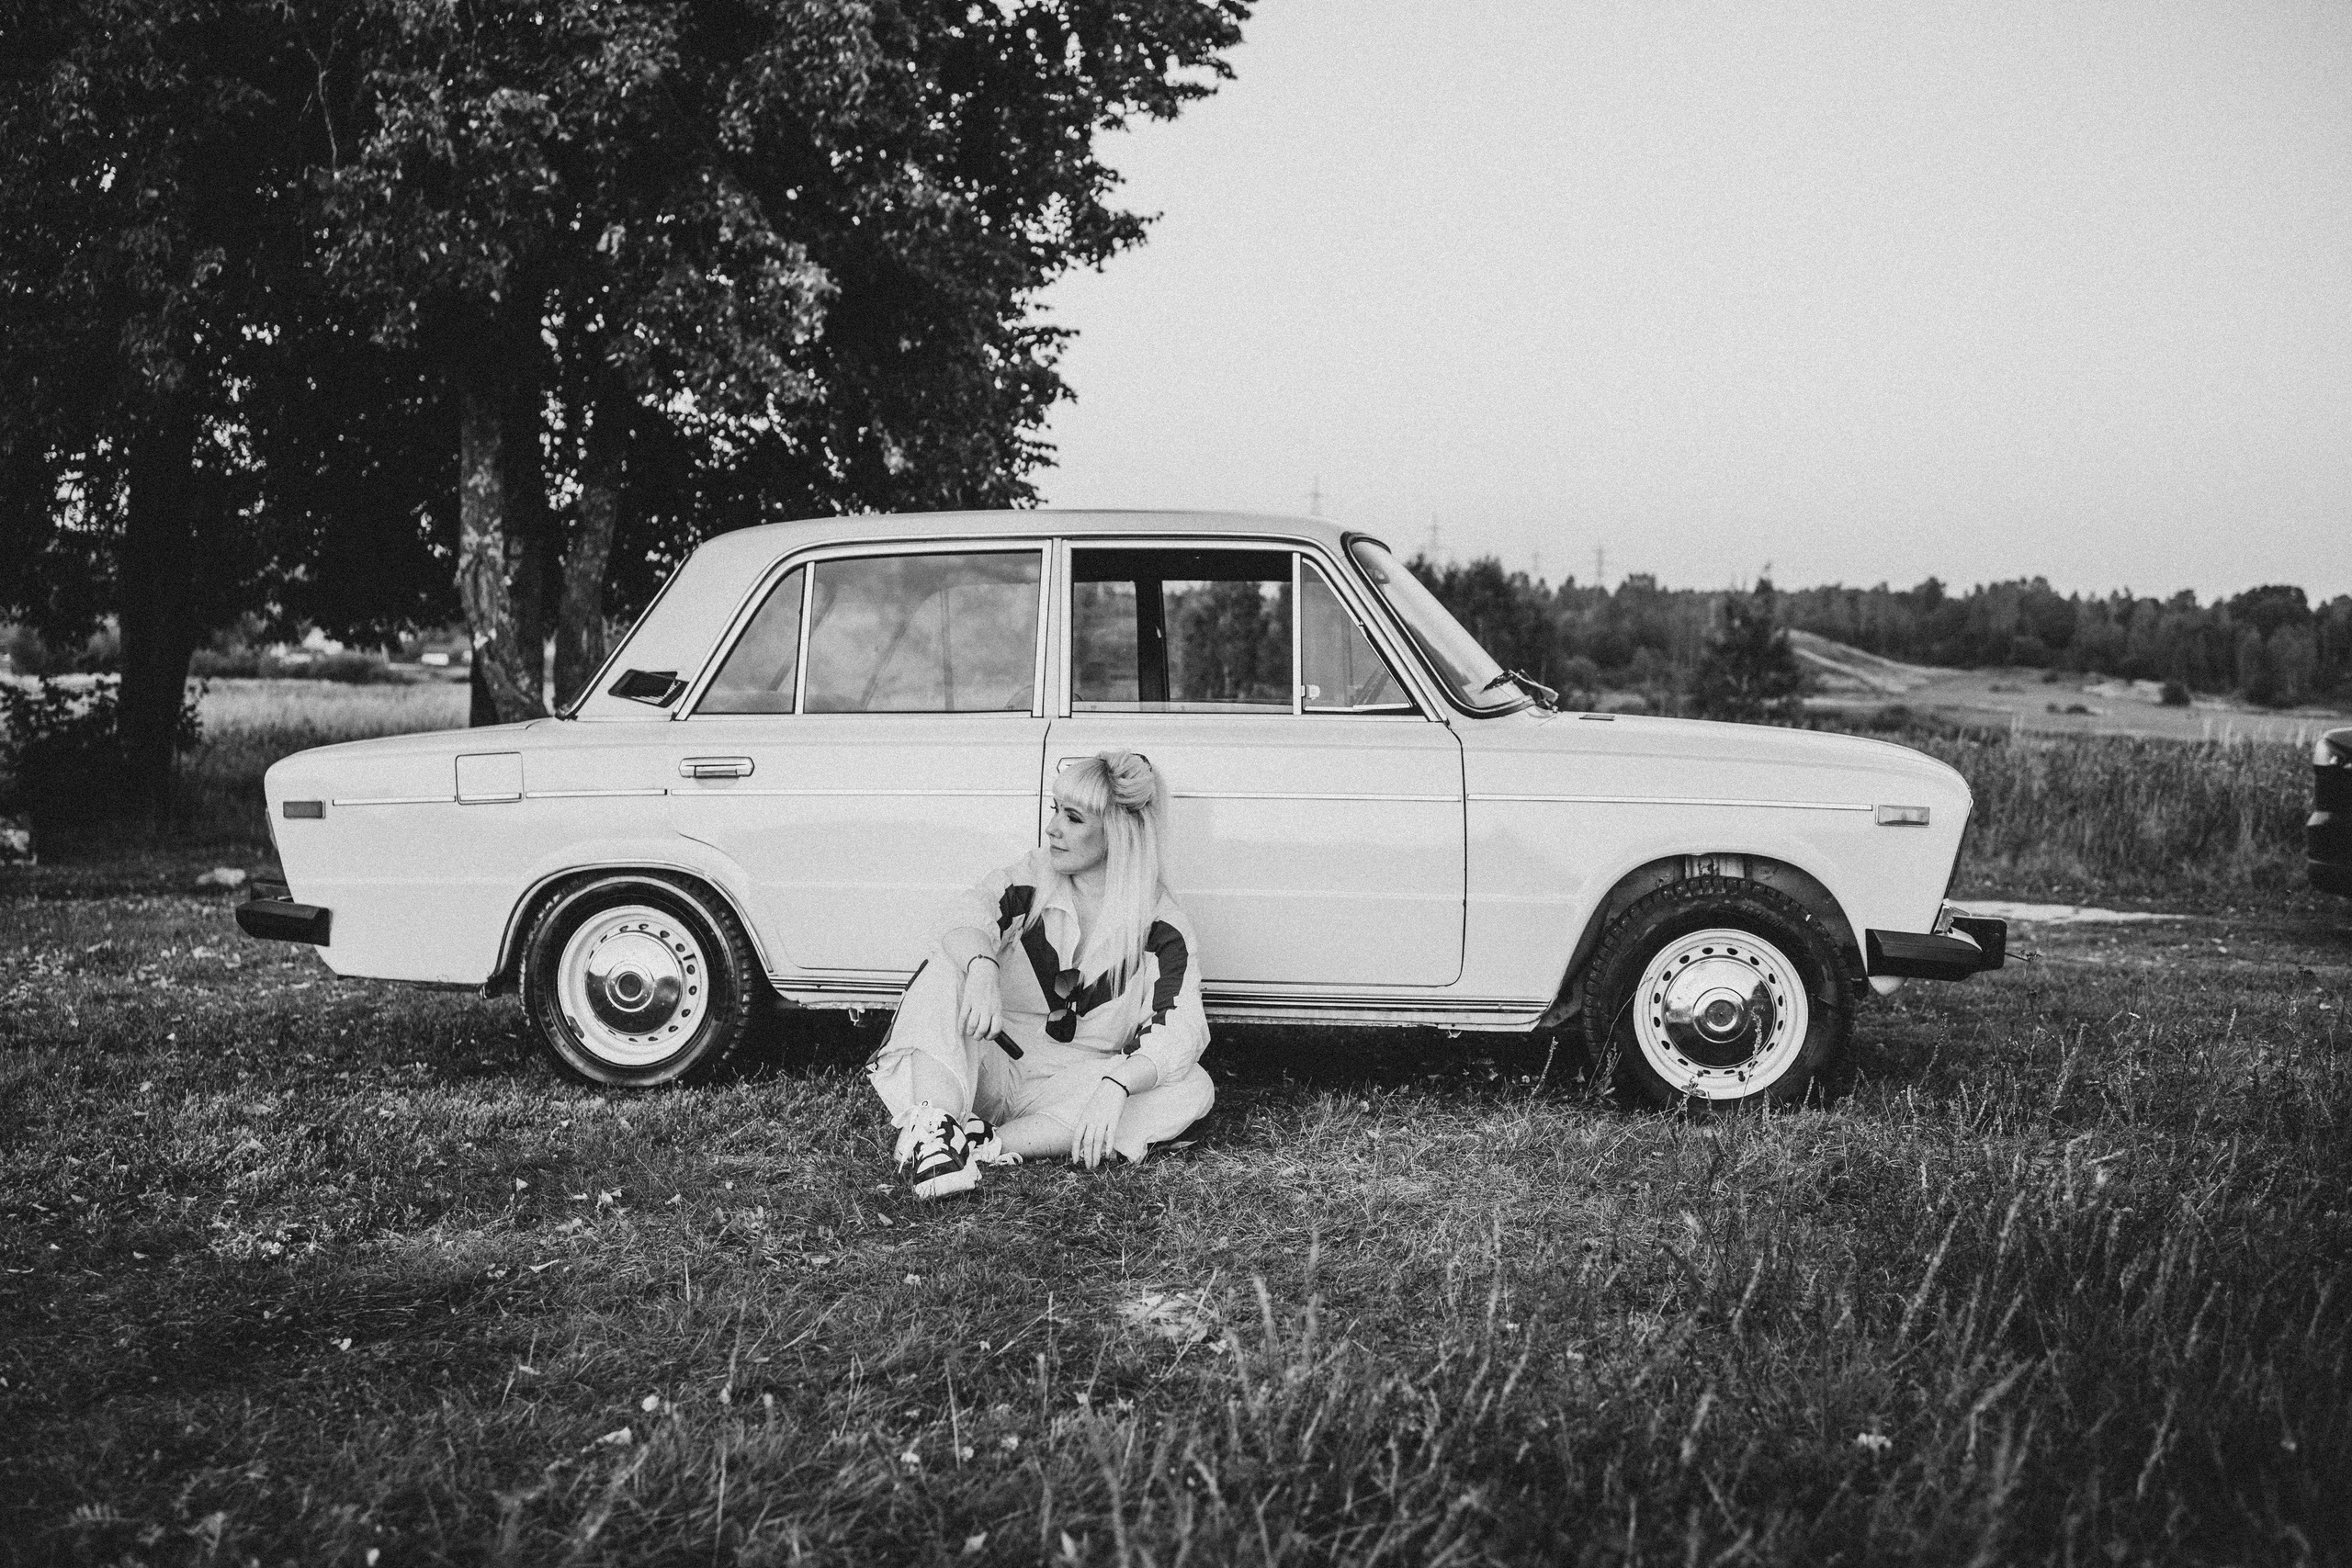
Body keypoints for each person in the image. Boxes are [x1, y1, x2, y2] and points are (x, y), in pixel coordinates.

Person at [865, 750, 1216, 1199]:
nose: (1052, 828)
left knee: (1192, 1086)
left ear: (1119, 834)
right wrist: (982, 967)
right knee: (948, 963)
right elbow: (966, 915)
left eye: (1073, 818)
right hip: (988, 1066)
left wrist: (1117, 1085)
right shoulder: (1031, 878)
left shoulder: (1162, 925)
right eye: (1055, 810)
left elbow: (1180, 1029)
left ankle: (985, 1144)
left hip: (1068, 1088)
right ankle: (938, 1128)